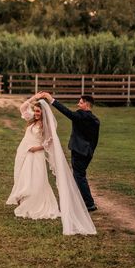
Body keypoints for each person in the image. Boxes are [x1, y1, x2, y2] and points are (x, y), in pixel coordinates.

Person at [6, 94, 96, 235]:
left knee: (35, 179)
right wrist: (34, 97)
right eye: (35, 110)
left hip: (36, 154)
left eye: (38, 111)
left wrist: (37, 148)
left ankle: (36, 202)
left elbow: (49, 142)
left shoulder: (45, 125)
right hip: (24, 152)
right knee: (23, 177)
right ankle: (24, 200)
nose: (35, 113)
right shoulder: (31, 121)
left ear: (43, 112)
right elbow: (23, 108)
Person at [37, 92, 100, 212]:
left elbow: (66, 112)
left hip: (79, 151)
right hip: (88, 152)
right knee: (79, 175)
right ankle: (78, 200)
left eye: (80, 103)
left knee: (79, 176)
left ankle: (89, 203)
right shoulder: (95, 120)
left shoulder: (81, 115)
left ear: (86, 105)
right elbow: (94, 139)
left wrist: (51, 100)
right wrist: (90, 151)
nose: (78, 104)